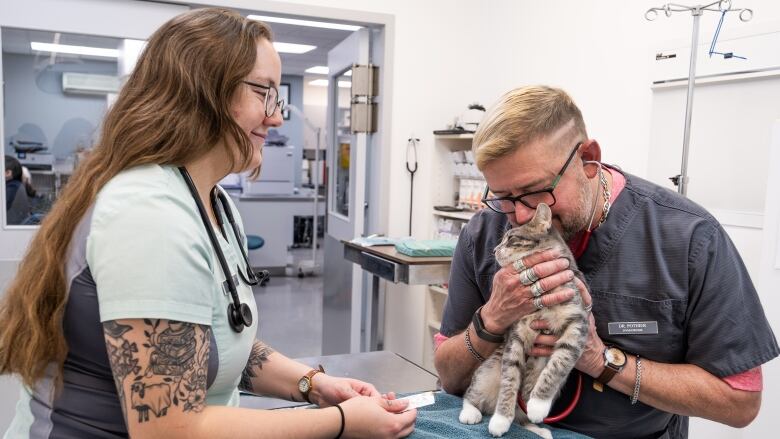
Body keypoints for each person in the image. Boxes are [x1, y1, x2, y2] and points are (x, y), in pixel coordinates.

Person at [0, 9, 416, 439]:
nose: (276, 118)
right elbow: (169, 430)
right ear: (206, 92)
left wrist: (314, 384)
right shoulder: (149, 214)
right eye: (265, 93)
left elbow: (215, 340)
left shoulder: (211, 201)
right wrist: (343, 422)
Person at [433, 85, 779, 438]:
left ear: (587, 159)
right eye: (504, 197)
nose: (520, 215)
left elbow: (740, 401)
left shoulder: (689, 238)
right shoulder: (485, 233)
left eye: (537, 192)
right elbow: (448, 375)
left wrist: (601, 360)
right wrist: (492, 319)